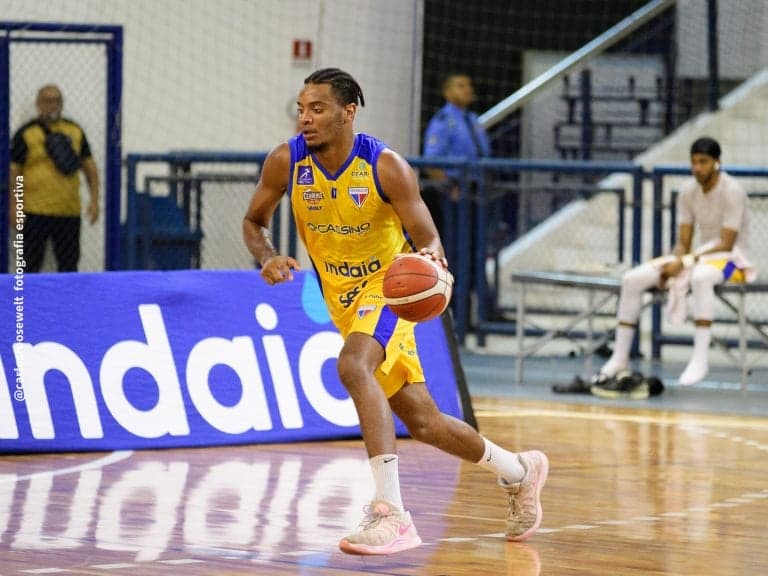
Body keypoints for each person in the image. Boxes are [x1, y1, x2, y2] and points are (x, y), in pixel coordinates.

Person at [243, 68, 548, 556]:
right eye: (301, 109)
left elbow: (426, 236)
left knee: (351, 365)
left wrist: (431, 262)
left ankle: (391, 513)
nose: (305, 118)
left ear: (348, 112)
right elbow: (254, 221)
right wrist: (267, 256)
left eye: (317, 109)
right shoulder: (286, 161)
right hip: (341, 301)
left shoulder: (386, 166)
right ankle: (519, 470)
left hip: (387, 289)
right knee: (424, 422)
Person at [593, 137, 753, 389]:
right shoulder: (687, 191)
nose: (697, 168)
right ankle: (619, 357)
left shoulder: (733, 191)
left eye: (703, 162)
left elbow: (726, 242)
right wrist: (676, 261)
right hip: (698, 257)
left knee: (701, 277)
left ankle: (700, 359)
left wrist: (686, 261)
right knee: (632, 279)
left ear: (717, 162)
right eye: (694, 162)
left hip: (734, 260)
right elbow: (684, 241)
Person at [422, 73, 491, 326]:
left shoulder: (473, 121)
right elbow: (432, 161)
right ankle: (451, 313)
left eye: (469, 85)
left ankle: (478, 311)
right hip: (454, 198)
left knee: (477, 252)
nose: (467, 89)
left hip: (476, 195)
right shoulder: (443, 121)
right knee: (455, 254)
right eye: (460, 85)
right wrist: (449, 187)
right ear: (447, 91)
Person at [9, 84, 100, 272]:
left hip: (68, 212)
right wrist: (14, 207)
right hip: (34, 212)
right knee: (29, 265)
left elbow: (89, 168)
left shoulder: (74, 131)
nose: (53, 105)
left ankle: (68, 301)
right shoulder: (26, 134)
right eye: (47, 100)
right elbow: (14, 174)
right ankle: (27, 301)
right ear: (38, 104)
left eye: (57, 100)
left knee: (69, 266)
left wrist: (95, 200)